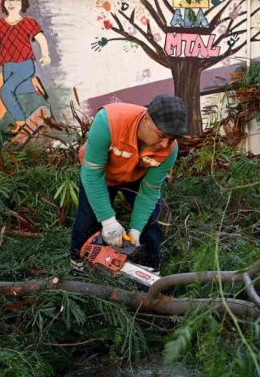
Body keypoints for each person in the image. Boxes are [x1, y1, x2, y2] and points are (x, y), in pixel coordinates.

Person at [70, 94, 188, 275]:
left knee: (151, 220)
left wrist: (135, 231)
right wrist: (108, 221)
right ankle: (78, 265)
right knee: (87, 220)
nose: (165, 144)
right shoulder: (109, 121)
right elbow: (92, 174)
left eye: (171, 139)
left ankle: (150, 269)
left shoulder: (170, 150)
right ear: (147, 119)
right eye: (162, 135)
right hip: (99, 175)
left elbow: (149, 191)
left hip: (135, 176)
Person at [0, 0, 50, 133]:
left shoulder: (28, 22)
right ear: (3, 3)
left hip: (25, 64)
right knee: (13, 91)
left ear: (22, 3)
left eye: (15, 0)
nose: (11, 3)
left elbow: (41, 38)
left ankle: (20, 121)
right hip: (7, 66)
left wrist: (45, 55)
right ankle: (33, 85)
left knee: (5, 92)